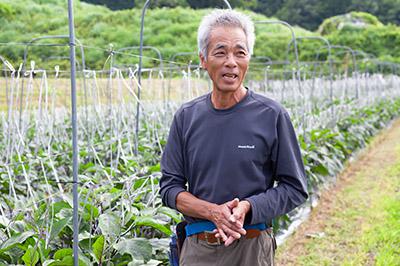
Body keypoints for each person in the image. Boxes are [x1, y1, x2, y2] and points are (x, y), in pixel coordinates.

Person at [160, 9, 308, 266]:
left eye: (240, 52)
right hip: (198, 249)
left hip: (251, 247)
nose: (231, 61)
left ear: (248, 59)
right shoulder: (187, 117)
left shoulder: (271, 115)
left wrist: (248, 207)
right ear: (203, 60)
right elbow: (170, 188)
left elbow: (294, 188)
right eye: (220, 52)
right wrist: (212, 212)